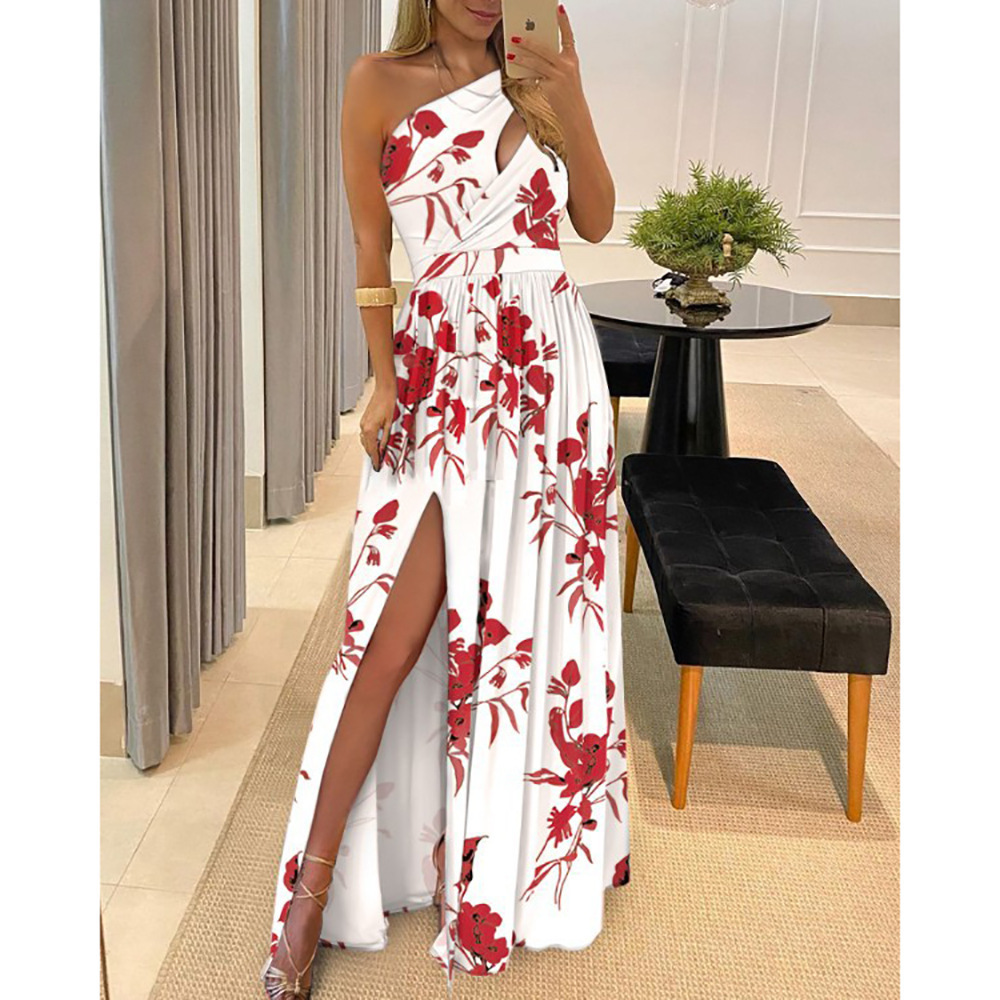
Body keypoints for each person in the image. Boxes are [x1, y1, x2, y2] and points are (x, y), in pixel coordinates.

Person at [260, 2, 630, 996]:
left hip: (551, 377)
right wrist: (383, 379)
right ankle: (309, 895)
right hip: (443, 375)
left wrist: (568, 93)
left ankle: (508, 858)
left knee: (534, 620)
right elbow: (370, 251)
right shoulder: (376, 83)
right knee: (385, 636)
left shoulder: (543, 71)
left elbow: (594, 221)